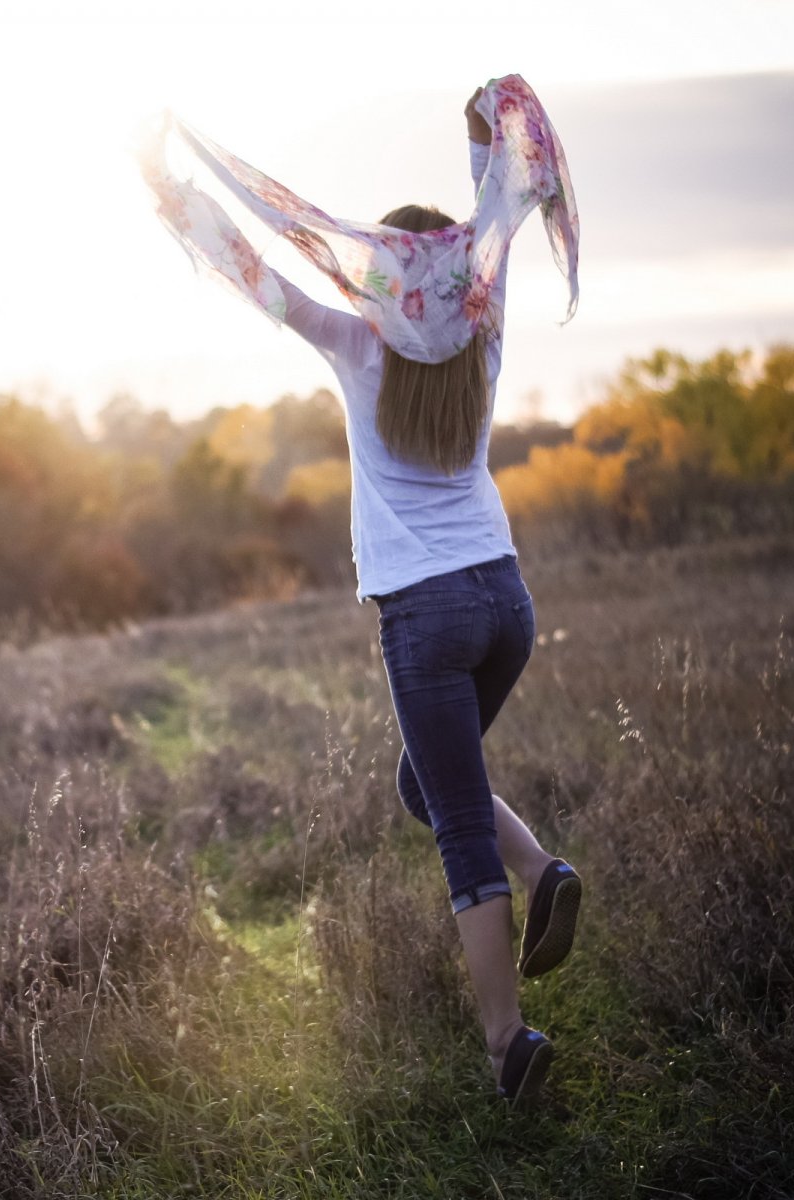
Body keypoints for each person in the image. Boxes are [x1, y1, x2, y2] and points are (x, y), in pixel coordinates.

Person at [147, 82, 583, 1107]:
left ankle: (506, 1045)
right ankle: (546, 876)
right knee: (425, 787)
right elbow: (497, 230)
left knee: (455, 826)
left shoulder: (357, 343)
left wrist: (169, 191)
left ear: (388, 283)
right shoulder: (483, 334)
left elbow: (258, 272)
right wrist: (486, 136)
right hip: (505, 602)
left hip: (426, 618)